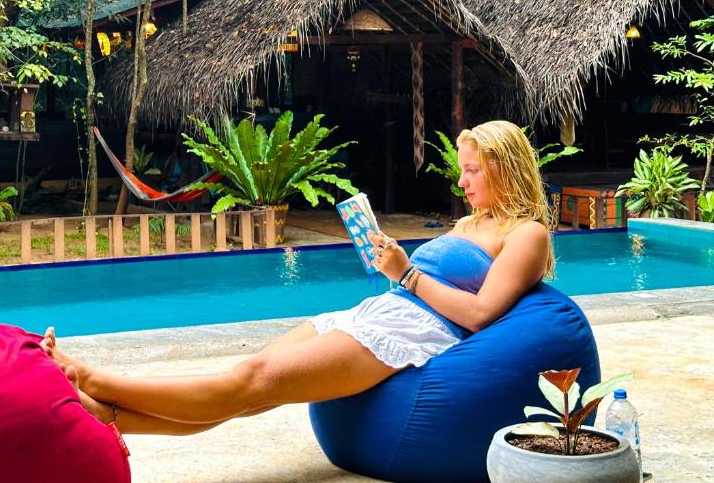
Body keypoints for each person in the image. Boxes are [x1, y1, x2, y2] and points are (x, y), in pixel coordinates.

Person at [42, 120, 554, 435]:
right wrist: (392, 266)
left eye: (473, 171)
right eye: (462, 169)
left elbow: (484, 314)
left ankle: (89, 379)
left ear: (505, 168)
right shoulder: (470, 223)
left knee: (250, 384)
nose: (461, 181)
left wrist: (409, 276)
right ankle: (103, 415)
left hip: (412, 333)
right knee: (253, 384)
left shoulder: (526, 233)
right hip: (381, 312)